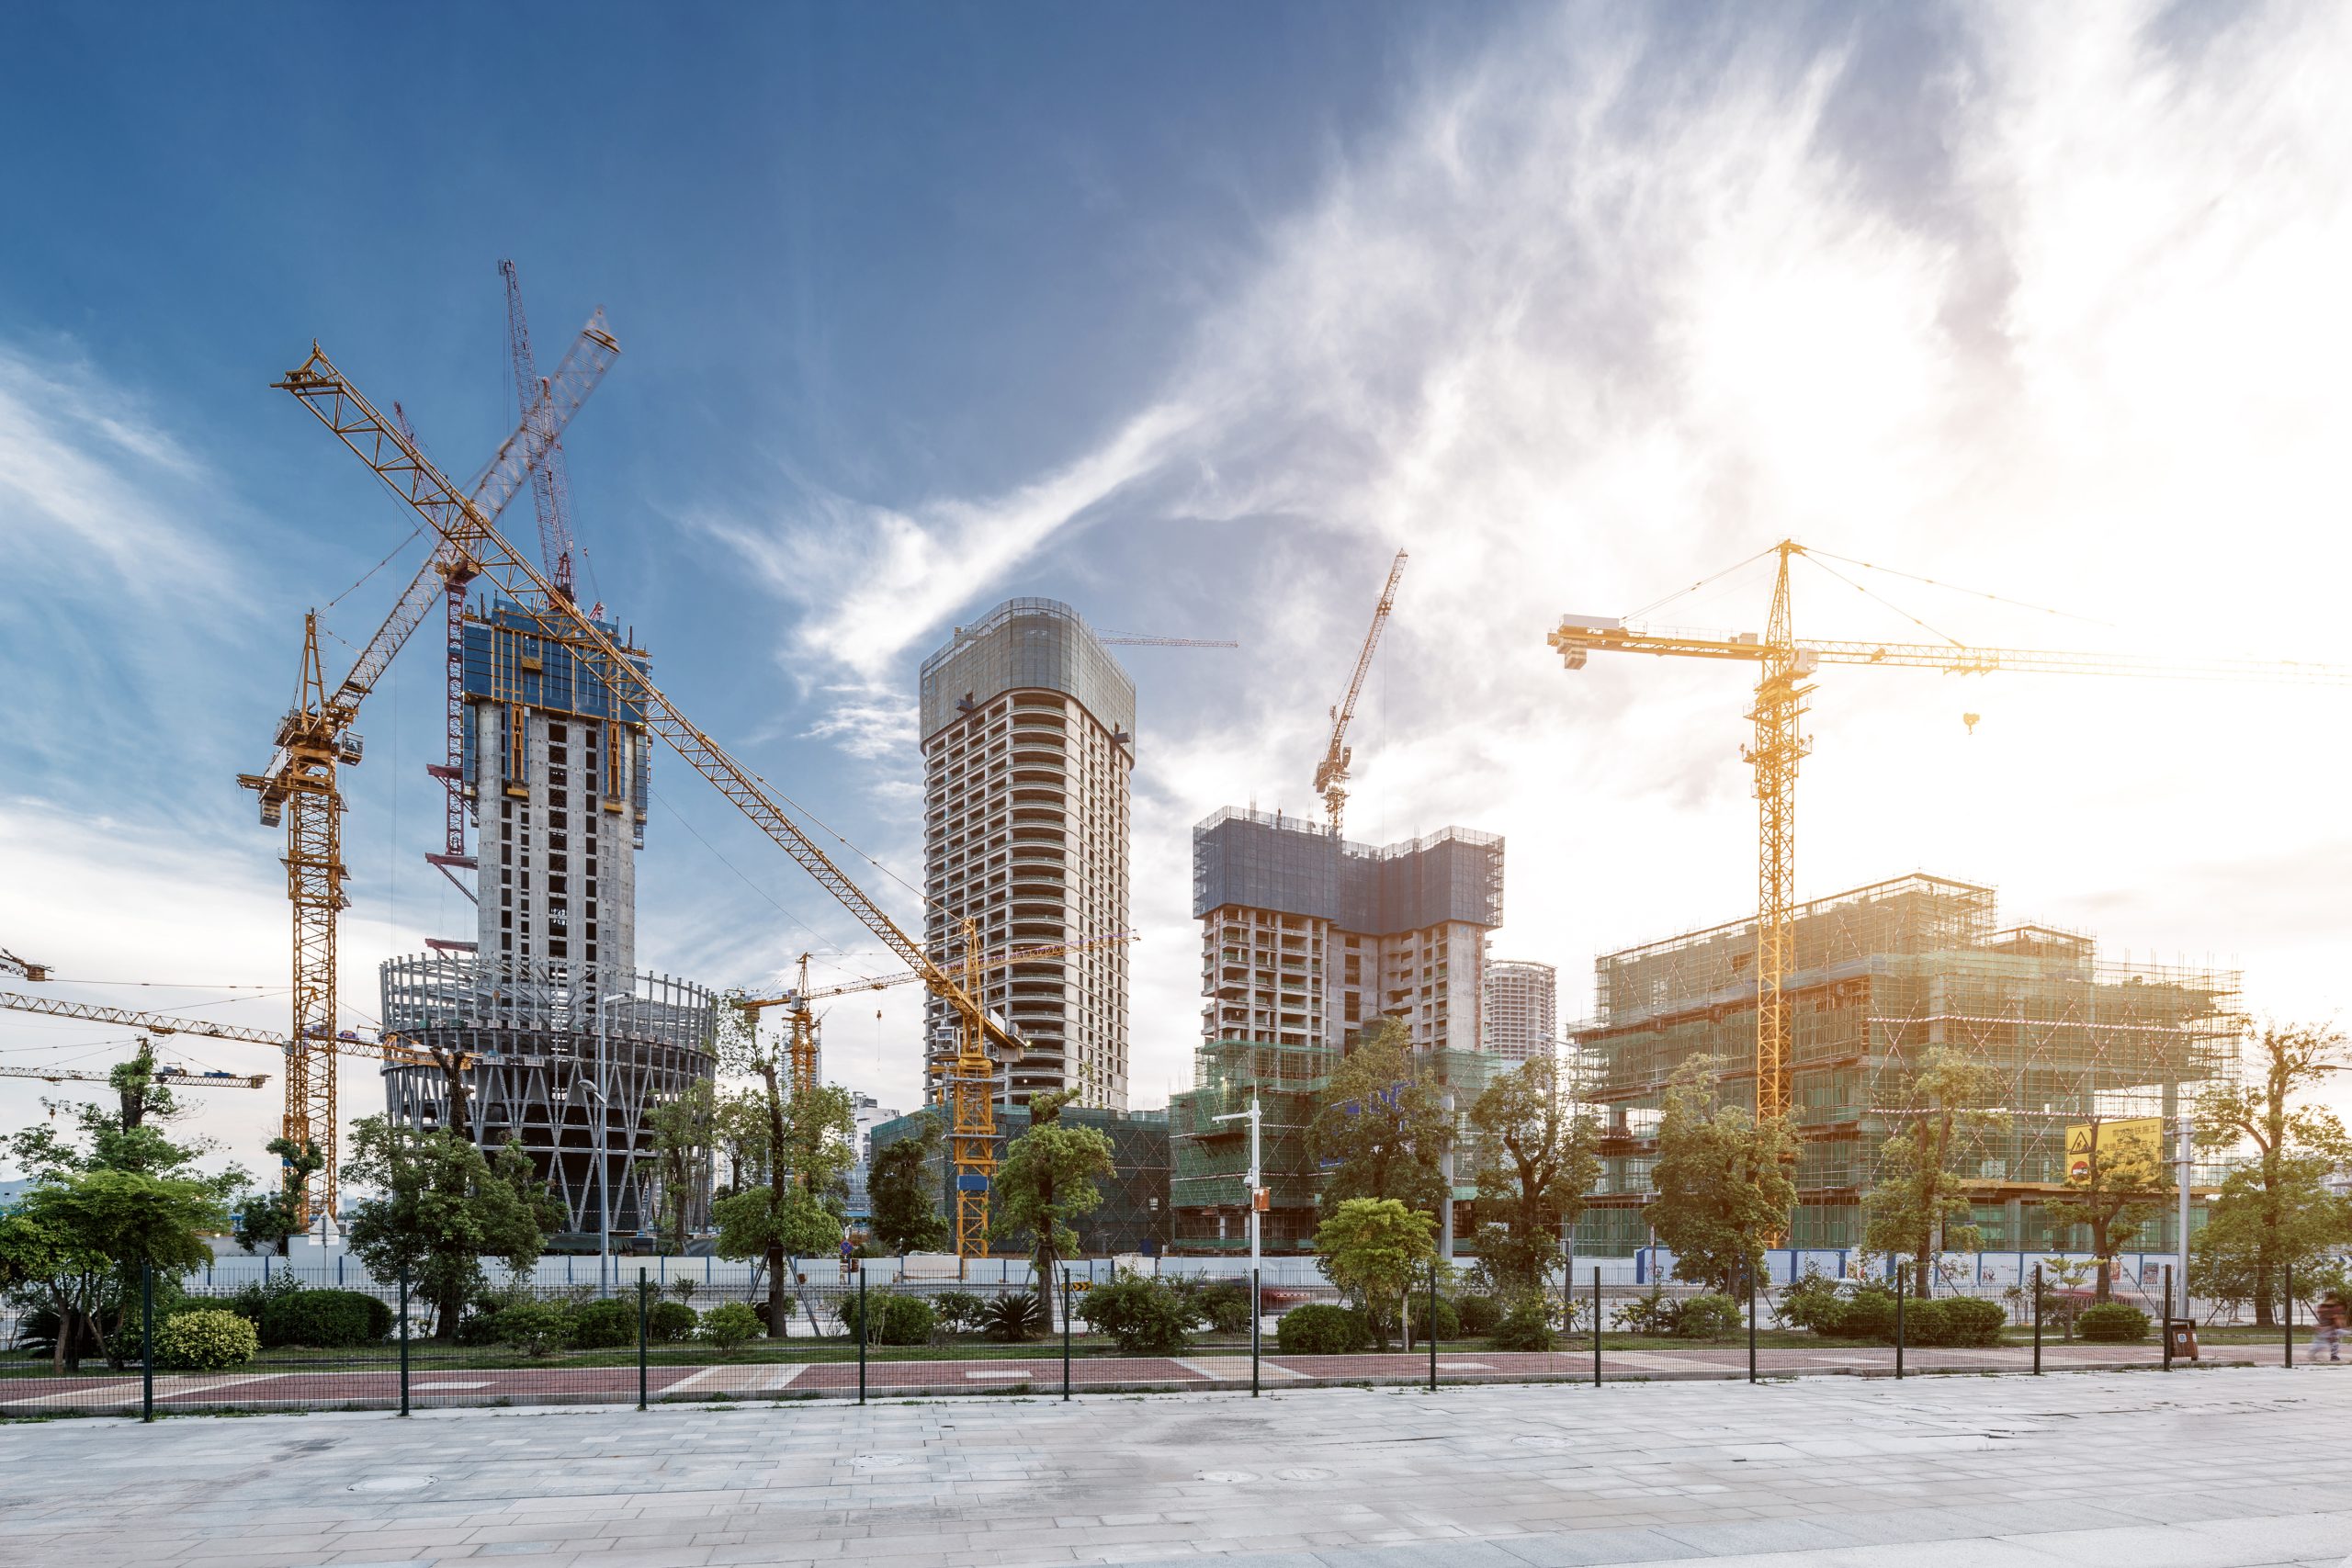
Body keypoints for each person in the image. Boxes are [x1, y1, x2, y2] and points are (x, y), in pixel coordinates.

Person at [2315, 1290, 2347, 1363]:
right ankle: (2333, 1356)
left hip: (2325, 1326)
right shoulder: (2332, 1305)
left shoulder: (2324, 1305)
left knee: (2324, 1341)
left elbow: (2320, 1313)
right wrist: (2338, 1325)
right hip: (2329, 1327)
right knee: (2333, 1341)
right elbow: (2334, 1317)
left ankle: (2314, 1353)